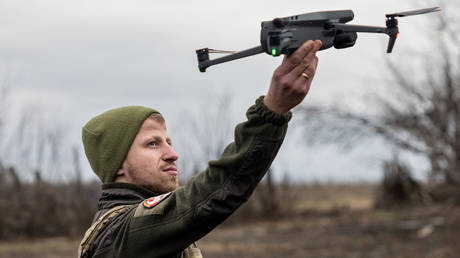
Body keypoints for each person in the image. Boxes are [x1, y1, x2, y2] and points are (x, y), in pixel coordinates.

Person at [78, 40, 322, 258]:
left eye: (168, 142)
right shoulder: (123, 234)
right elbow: (215, 191)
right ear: (118, 163)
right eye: (152, 144)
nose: (172, 154)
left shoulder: (152, 232)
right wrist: (271, 112)